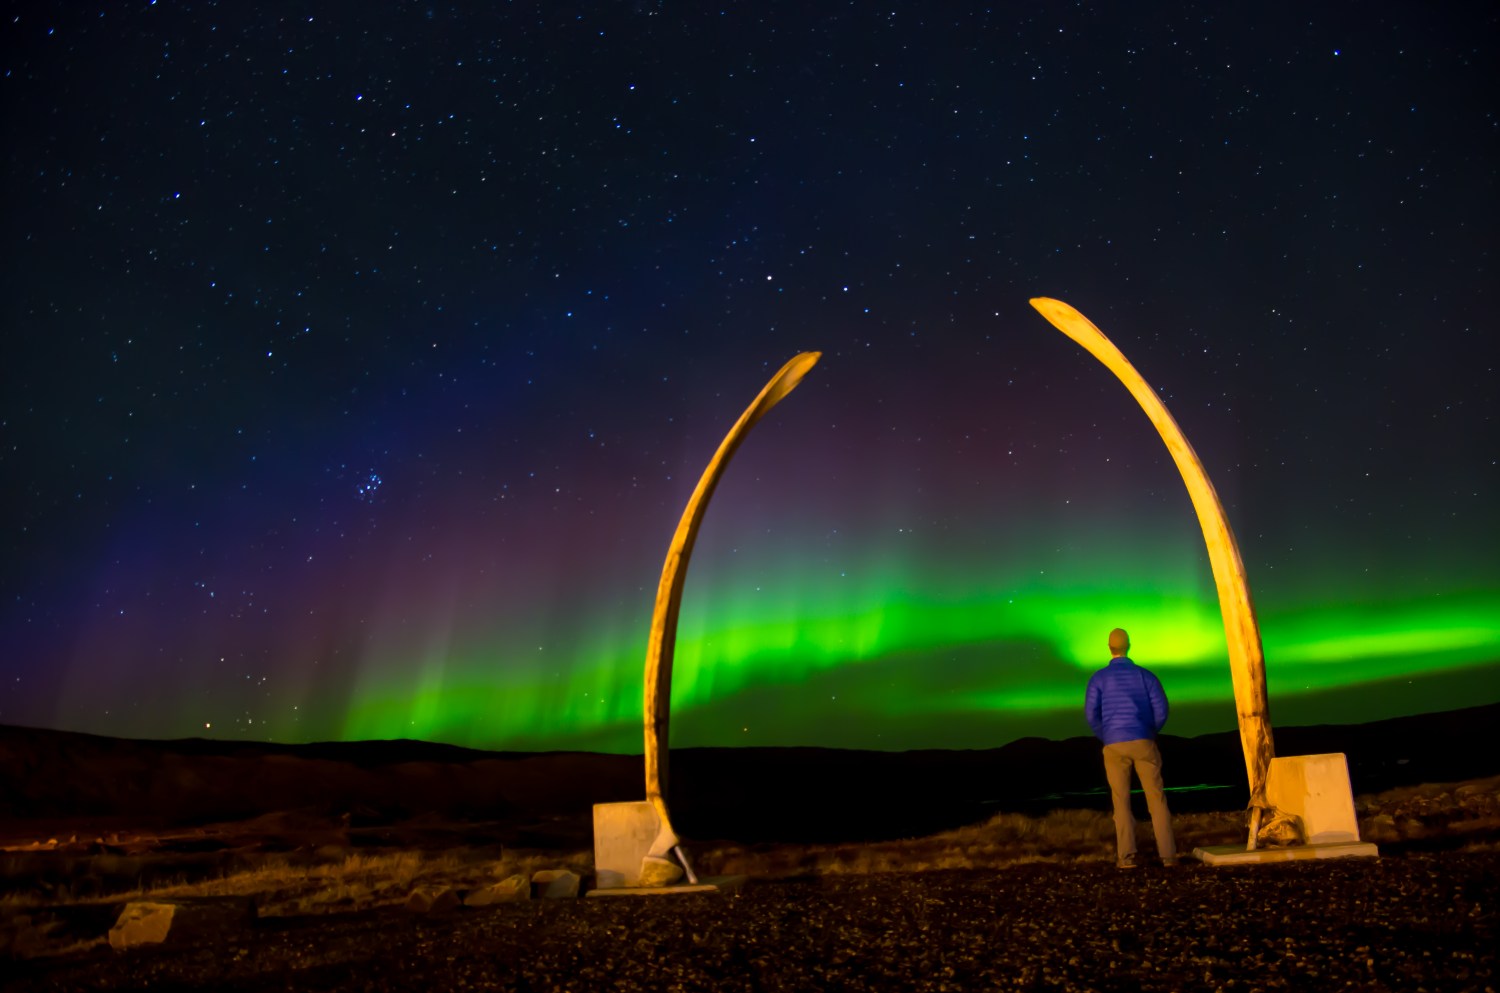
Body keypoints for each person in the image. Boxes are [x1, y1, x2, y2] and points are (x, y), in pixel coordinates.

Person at [1084, 627, 1178, 868]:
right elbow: (1161, 709)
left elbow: (1091, 714)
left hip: (1114, 744)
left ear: (1109, 647)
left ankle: (1126, 857)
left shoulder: (1098, 679)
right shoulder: (1145, 676)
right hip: (1144, 741)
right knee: (1156, 800)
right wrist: (1148, 732)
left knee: (1121, 802)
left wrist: (1106, 735)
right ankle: (1168, 856)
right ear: (1129, 646)